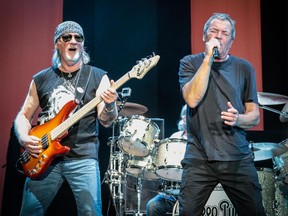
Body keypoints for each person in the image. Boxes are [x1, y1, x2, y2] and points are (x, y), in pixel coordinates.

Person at [14, 21, 118, 216]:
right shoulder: (41, 78)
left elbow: (106, 120)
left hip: (82, 157)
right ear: (57, 43)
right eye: (67, 37)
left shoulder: (97, 76)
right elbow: (23, 116)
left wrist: (111, 104)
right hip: (43, 157)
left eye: (78, 38)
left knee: (91, 213)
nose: (73, 41)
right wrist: (22, 137)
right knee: (29, 212)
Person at [178, 13, 266, 216]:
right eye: (214, 31)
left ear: (232, 41)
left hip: (237, 157)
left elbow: (254, 116)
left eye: (225, 33)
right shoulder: (189, 63)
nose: (219, 36)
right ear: (204, 37)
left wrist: (238, 119)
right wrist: (208, 58)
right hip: (199, 158)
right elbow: (192, 98)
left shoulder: (244, 68)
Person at [146, 105, 187, 216]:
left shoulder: (200, 139)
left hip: (192, 191)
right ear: (184, 119)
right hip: (172, 193)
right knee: (152, 206)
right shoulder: (176, 136)